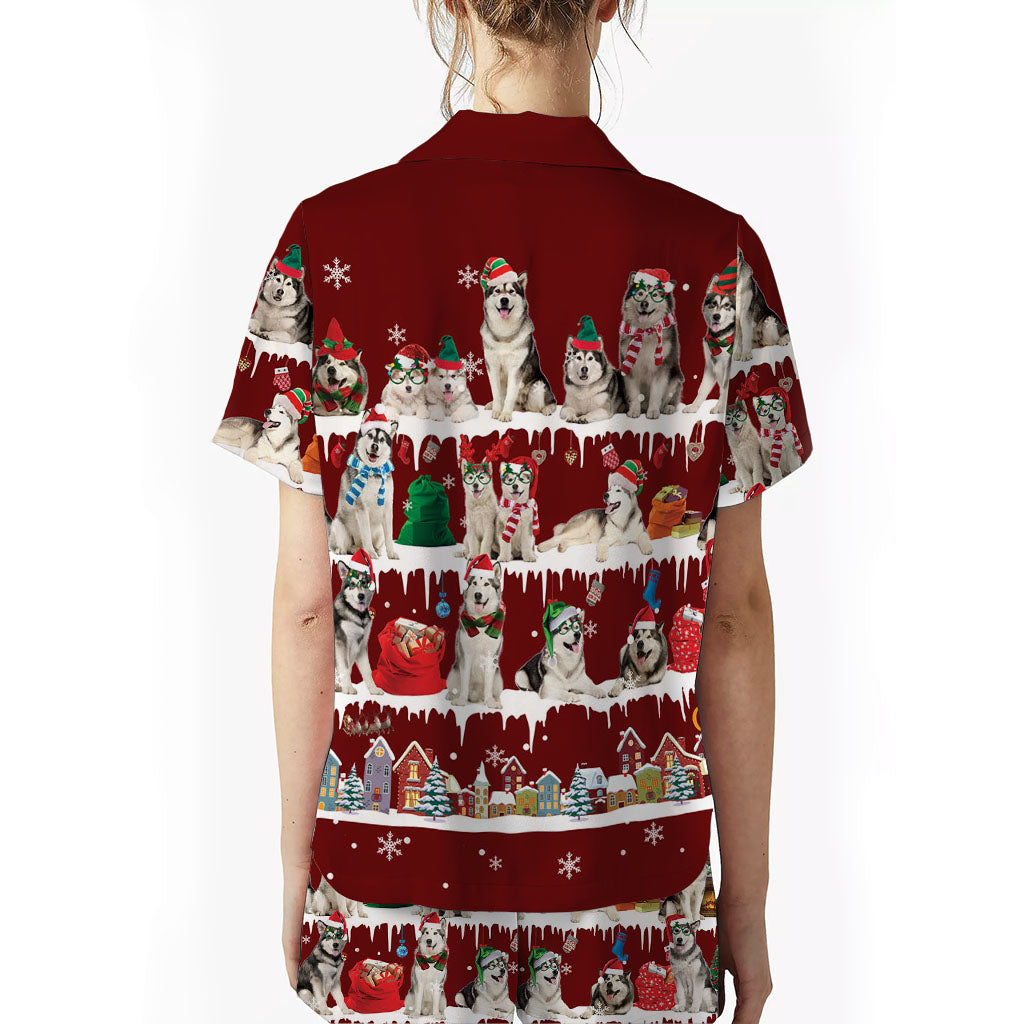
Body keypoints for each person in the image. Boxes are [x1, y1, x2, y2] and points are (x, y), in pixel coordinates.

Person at [213, 3, 812, 1022]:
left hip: (390, 911)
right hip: (634, 907)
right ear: (611, 2)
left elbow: (308, 605)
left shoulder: (324, 241)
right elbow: (734, 617)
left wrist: (296, 861)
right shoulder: (717, 256)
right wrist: (746, 909)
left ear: (449, 3)